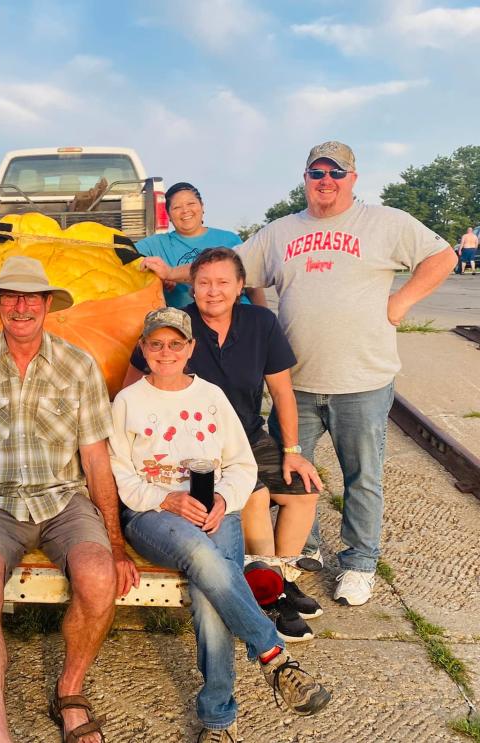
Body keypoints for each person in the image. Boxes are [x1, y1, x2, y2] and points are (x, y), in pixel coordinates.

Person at [141, 142, 458, 606]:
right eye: (316, 172)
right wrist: (172, 271)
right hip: (298, 383)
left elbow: (444, 257)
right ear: (305, 177)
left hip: (361, 379)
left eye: (336, 172)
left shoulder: (385, 222)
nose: (325, 180)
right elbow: (229, 268)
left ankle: (359, 563)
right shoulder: (282, 231)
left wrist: (400, 303)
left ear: (353, 177)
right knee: (290, 480)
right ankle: (295, 556)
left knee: (362, 476)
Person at [0, 256, 139, 743]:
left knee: (97, 576)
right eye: (11, 297)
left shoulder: (77, 364)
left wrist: (114, 543)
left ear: (48, 305)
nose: (21, 307)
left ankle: (69, 691)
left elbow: (94, 460)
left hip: (63, 501)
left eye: (32, 297)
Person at [109, 307, 331, 742]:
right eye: (156, 344)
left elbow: (241, 463)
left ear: (191, 349)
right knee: (197, 554)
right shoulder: (128, 402)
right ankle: (271, 652)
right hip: (153, 514)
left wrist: (226, 498)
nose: (166, 352)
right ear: (143, 349)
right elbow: (120, 474)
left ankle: (218, 721)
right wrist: (166, 498)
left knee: (209, 598)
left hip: (217, 510)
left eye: (176, 344)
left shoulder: (210, 396)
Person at [124, 247, 324, 641]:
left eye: (222, 283)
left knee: (304, 490)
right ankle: (269, 596)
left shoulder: (260, 322)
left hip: (249, 433)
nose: (212, 291)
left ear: (238, 287)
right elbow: (132, 388)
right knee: (251, 495)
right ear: (192, 287)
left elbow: (282, 392)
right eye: (203, 283)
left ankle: (276, 579)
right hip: (201, 448)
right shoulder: (177, 328)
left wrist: (293, 451)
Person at [135, 182, 266, 308]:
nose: (185, 210)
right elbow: (125, 257)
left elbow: (253, 287)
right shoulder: (156, 244)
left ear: (202, 206)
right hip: (188, 324)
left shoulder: (230, 239)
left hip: (238, 315)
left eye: (191, 203)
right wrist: (155, 278)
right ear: (168, 214)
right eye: (176, 207)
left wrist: (265, 317)